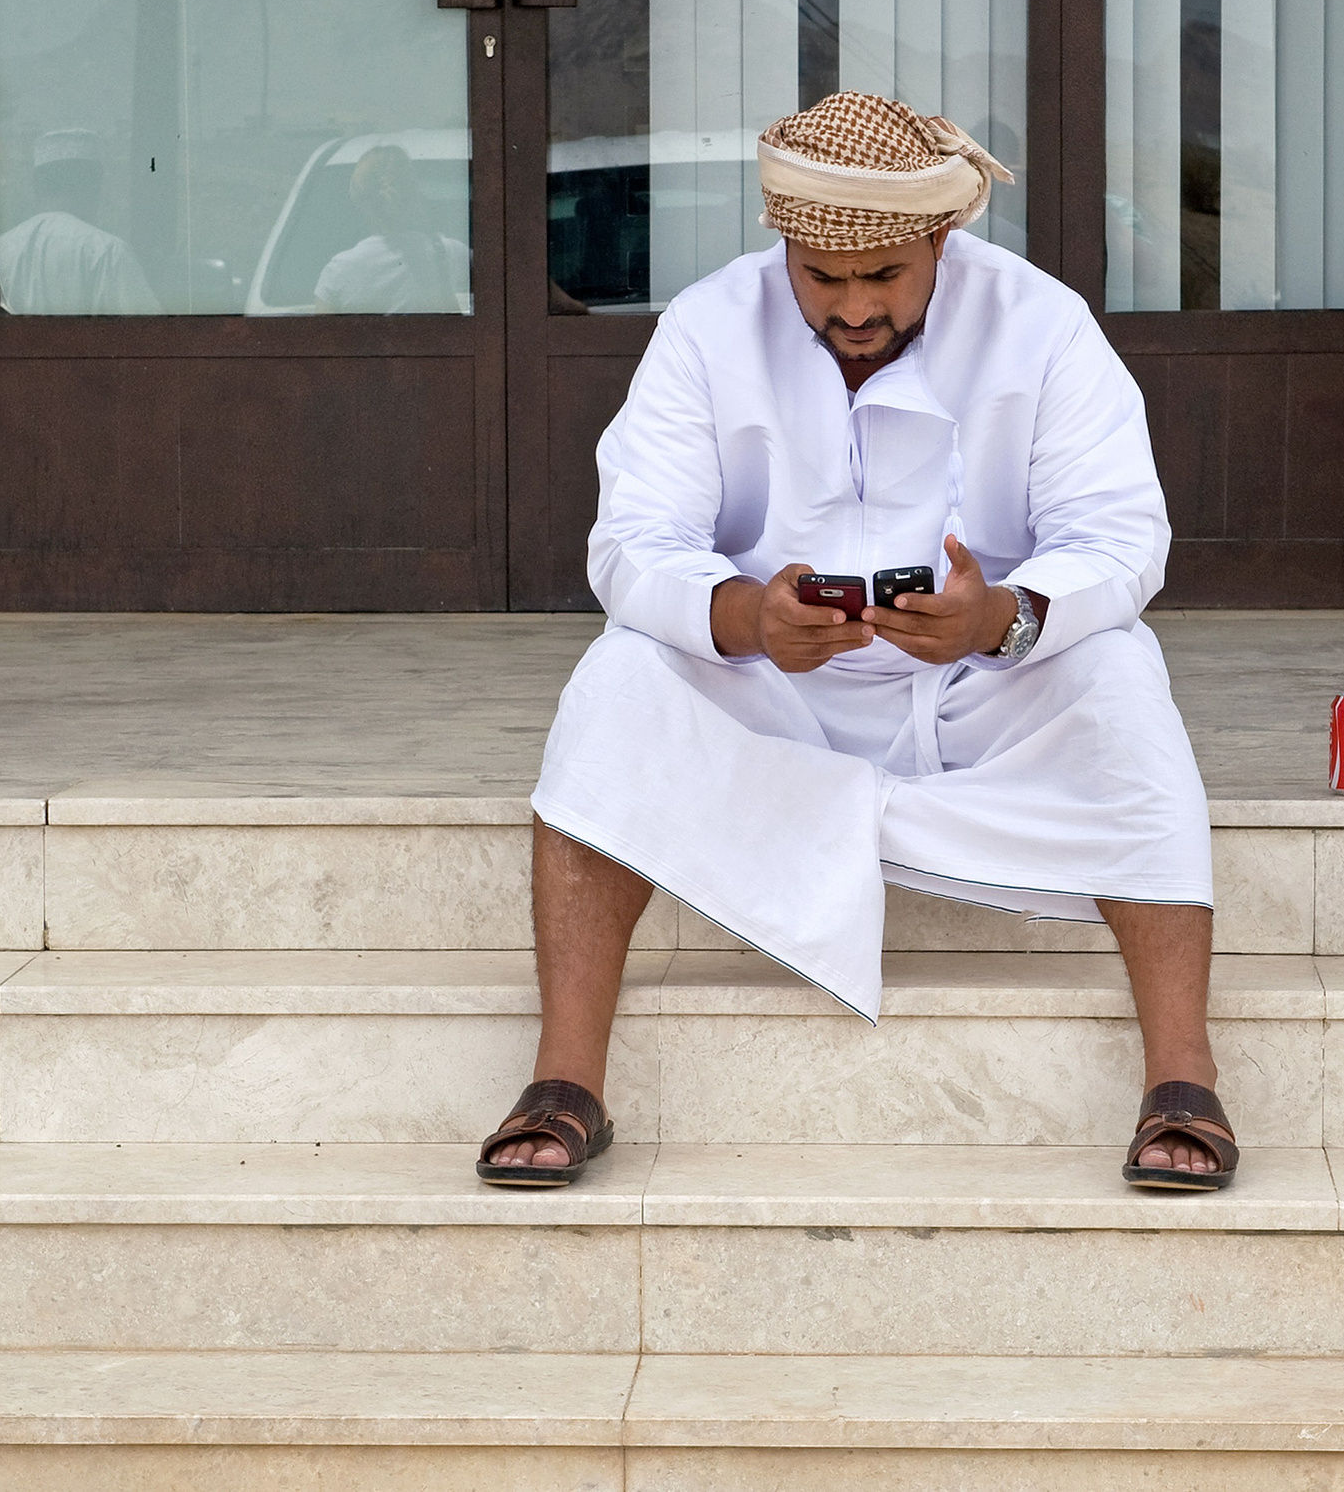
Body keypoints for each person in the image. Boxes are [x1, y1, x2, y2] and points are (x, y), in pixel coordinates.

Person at [476, 91, 1235, 1195]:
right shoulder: (705, 325)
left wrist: (1005, 617)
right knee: (619, 682)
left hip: (984, 685)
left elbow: (1122, 537)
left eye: (884, 276)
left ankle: (1184, 1077)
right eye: (821, 278)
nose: (850, 307)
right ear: (784, 242)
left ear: (940, 237)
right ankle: (564, 1082)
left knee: (1117, 678)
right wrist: (743, 617)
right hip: (769, 684)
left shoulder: (1042, 323)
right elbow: (631, 541)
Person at [0, 129, 161, 315]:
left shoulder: (1, 249)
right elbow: (150, 332)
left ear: (38, 186)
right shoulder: (108, 252)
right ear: (93, 185)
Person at [313, 144, 470, 314]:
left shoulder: (337, 272)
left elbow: (322, 337)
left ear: (358, 200)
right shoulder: (450, 253)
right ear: (415, 193)